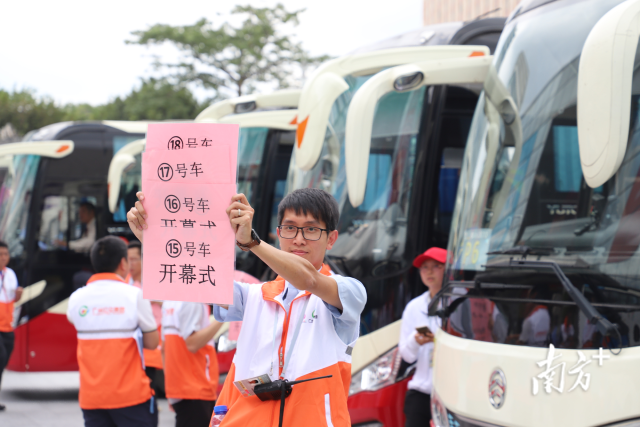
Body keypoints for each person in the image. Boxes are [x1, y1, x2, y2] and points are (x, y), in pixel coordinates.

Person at [127, 188, 367, 427]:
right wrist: (155, 241)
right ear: (278, 234)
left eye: (311, 229)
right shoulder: (254, 295)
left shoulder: (349, 292)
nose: (298, 239)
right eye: (290, 228)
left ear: (331, 239)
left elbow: (308, 279)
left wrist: (251, 242)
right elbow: (198, 276)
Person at [67, 236, 159, 427]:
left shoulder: (76, 298)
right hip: (131, 397)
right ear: (123, 263)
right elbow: (152, 343)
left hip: (92, 398)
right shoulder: (134, 295)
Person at [399, 247, 446, 427]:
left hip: (450, 393)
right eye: (424, 267)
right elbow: (406, 355)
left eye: (436, 266)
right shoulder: (414, 306)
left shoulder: (462, 303)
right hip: (421, 391)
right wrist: (415, 341)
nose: (429, 272)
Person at [162, 301, 222, 427]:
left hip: (180, 385)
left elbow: (164, 348)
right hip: (196, 385)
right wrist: (223, 317)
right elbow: (192, 344)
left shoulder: (169, 302)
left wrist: (170, 389)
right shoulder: (192, 301)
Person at [127, 241, 164, 395]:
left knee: (149, 385)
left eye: (134, 259)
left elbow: (174, 305)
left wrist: (158, 300)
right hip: (131, 343)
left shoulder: (159, 280)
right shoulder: (124, 282)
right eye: (127, 259)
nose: (130, 264)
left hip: (153, 341)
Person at [0, 241, 23, 411]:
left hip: (8, 326)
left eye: (5, 254)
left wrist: (18, 295)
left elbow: (13, 299)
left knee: (3, 363)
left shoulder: (10, 274)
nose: (3, 257)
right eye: (0, 254)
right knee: (0, 357)